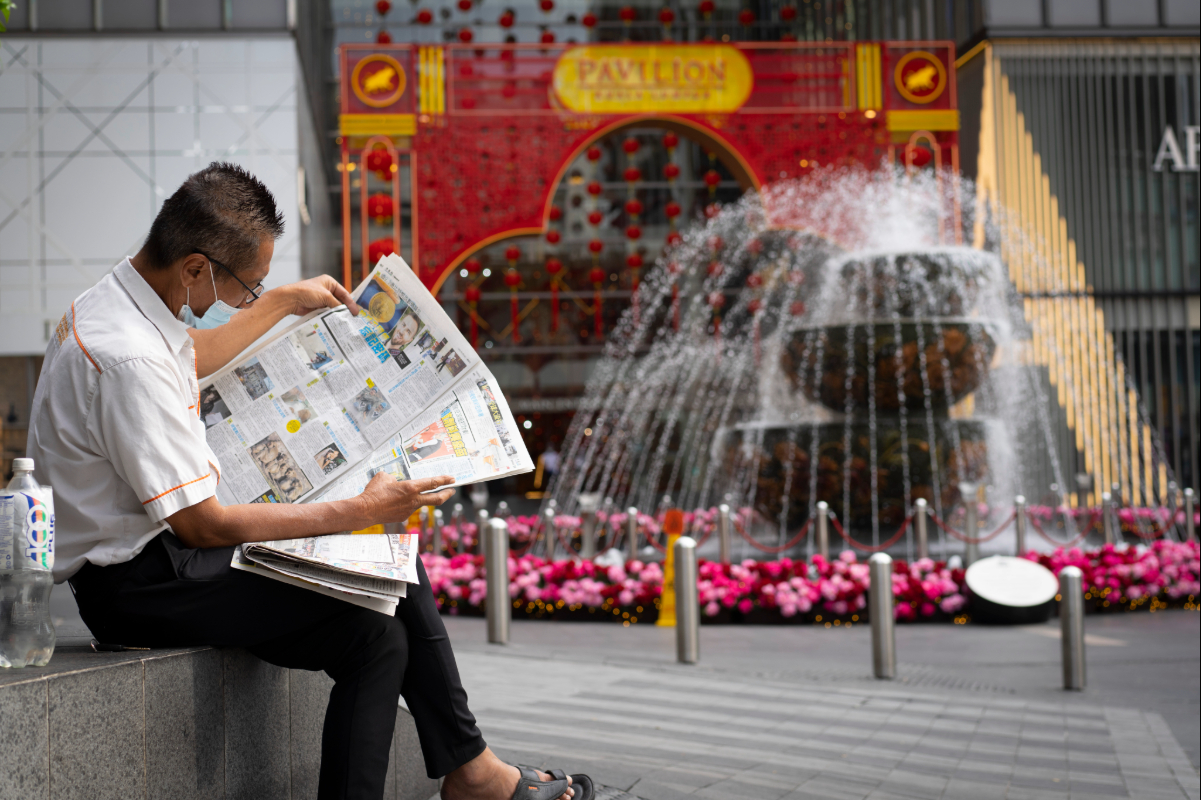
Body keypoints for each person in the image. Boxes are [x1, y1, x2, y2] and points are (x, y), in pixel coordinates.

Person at [27, 163, 591, 800]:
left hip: (164, 557)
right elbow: (203, 524)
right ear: (193, 267)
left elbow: (186, 354)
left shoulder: (121, 299)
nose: (241, 302)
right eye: (245, 288)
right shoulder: (127, 357)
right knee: (390, 564)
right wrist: (357, 509)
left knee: (377, 637)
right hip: (141, 584)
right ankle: (478, 776)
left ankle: (472, 774)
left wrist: (284, 301)